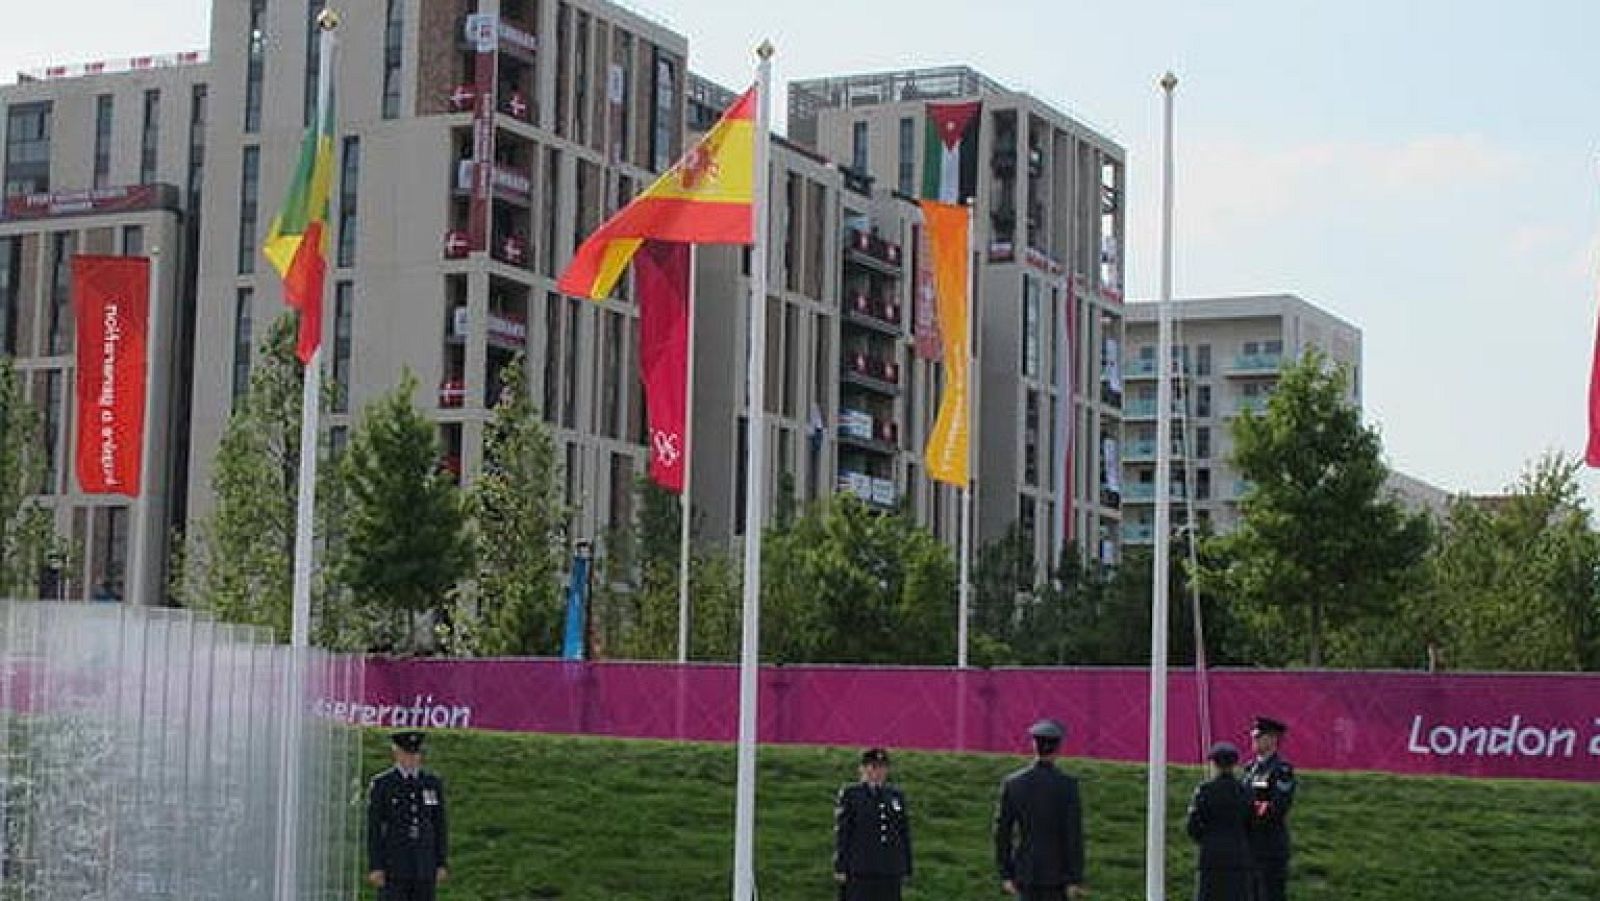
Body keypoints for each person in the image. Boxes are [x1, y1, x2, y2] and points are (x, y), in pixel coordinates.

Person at [994, 719, 1087, 900]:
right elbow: (1073, 834)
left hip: (1025, 872)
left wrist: (1005, 873)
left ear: (1034, 745)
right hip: (1057, 875)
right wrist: (1075, 877)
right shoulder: (1067, 785)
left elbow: (1002, 832)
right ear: (1058, 748)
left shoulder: (1013, 784)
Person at [367, 730, 449, 900]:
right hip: (394, 864)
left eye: (415, 754)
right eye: (407, 754)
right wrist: (376, 865)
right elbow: (375, 828)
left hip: (424, 864)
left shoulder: (431, 783)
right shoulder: (383, 784)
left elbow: (439, 825)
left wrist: (441, 862)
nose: (411, 759)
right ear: (396, 753)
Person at [833, 747, 913, 901]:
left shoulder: (895, 795)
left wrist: (906, 866)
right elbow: (844, 832)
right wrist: (841, 866)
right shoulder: (852, 794)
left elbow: (903, 832)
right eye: (874, 767)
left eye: (882, 767)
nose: (878, 772)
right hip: (861, 867)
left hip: (889, 868)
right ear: (863, 769)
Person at [1185, 742, 1254, 901]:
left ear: (1214, 764)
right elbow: (1252, 823)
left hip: (1211, 856)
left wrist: (1206, 839)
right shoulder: (1245, 791)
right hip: (1238, 856)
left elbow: (1193, 825)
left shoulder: (1205, 790)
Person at [1242, 716, 1296, 901]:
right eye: (1254, 736)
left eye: (1259, 736)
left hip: (1270, 848)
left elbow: (1278, 807)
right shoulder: (1250, 769)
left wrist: (1249, 812)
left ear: (1273, 739)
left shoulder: (1281, 770)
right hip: (1250, 847)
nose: (1254, 739)